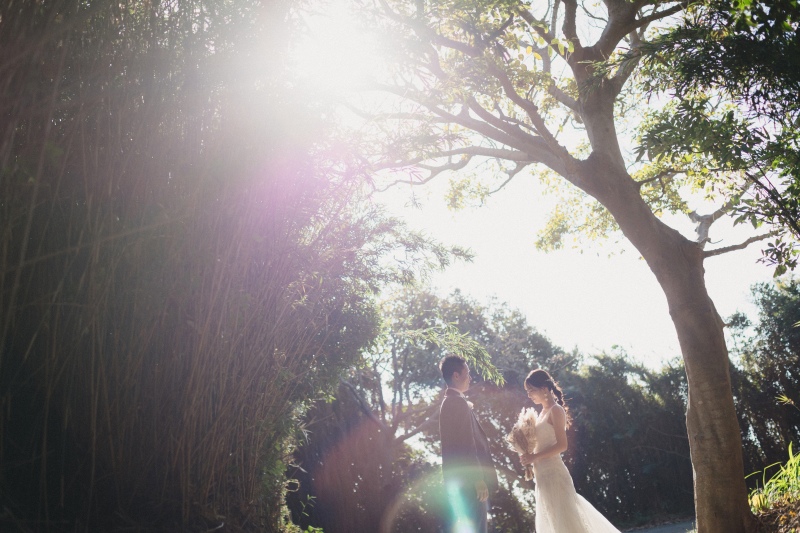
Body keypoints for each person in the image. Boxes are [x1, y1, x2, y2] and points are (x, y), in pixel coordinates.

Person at [520, 369, 621, 533]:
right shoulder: (541, 413)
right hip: (542, 476)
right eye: (527, 391)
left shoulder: (556, 410)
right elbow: (541, 444)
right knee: (554, 523)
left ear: (544, 389)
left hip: (554, 474)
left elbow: (562, 445)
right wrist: (528, 456)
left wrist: (535, 456)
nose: (529, 395)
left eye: (532, 390)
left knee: (566, 524)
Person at [439, 354, 498, 533]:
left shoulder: (448, 402)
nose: (470, 378)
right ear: (456, 376)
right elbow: (466, 444)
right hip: (470, 481)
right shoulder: (457, 403)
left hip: (459, 480)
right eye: (468, 373)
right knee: (478, 527)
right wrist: (478, 479)